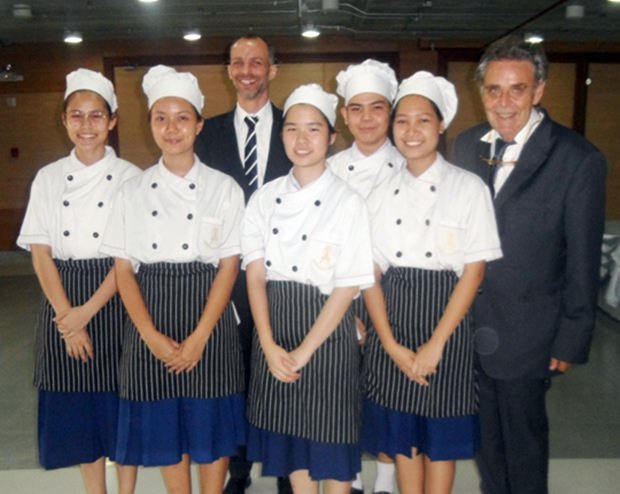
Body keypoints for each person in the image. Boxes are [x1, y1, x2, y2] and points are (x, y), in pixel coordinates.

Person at [451, 35, 607, 494]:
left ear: (538, 90)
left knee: (523, 440)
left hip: (529, 330)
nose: (504, 103)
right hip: (470, 323)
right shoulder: (465, 146)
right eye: (494, 90)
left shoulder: (576, 158)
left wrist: (572, 334)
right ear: (481, 92)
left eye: (516, 89)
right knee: (485, 440)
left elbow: (583, 255)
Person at [100, 65, 246, 494]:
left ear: (199, 124)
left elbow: (229, 265)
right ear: (149, 126)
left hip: (210, 315)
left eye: (182, 117)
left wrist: (200, 336)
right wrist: (149, 335)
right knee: (167, 428)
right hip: (152, 313)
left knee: (211, 426)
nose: (171, 127)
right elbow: (124, 269)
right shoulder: (132, 191)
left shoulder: (224, 188)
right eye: (160, 117)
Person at [361, 71, 502, 494]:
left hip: (449, 324)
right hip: (394, 318)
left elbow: (474, 271)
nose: (411, 131)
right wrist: (388, 343)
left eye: (423, 120)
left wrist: (436, 343)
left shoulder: (468, 188)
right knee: (403, 442)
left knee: (441, 444)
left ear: (441, 125)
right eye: (402, 120)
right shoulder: (381, 193)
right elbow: (370, 272)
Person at [241, 83, 375, 494]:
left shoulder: (348, 201)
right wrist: (267, 344)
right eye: (292, 129)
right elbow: (255, 274)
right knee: (292, 448)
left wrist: (304, 350)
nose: (302, 140)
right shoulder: (264, 199)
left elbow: (348, 284)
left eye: (314, 129)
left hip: (327, 334)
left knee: (333, 446)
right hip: (276, 326)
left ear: (333, 137)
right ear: (280, 136)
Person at [17, 68, 141, 493]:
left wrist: (87, 312)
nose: (86, 125)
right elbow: (40, 252)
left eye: (95, 116)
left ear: (112, 120)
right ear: (65, 120)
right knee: (80, 412)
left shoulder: (131, 178)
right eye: (77, 115)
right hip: (62, 295)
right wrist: (67, 317)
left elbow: (127, 258)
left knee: (122, 407)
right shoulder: (49, 178)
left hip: (116, 294)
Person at [194, 33, 292, 494]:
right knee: (233, 378)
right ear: (228, 70)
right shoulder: (206, 132)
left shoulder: (298, 126)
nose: (247, 70)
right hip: (227, 279)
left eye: (257, 62)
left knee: (284, 375)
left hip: (287, 278)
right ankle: (238, 469)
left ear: (273, 69)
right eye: (238, 62)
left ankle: (289, 468)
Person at [328, 58, 404, 494]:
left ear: (389, 111)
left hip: (396, 295)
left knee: (389, 395)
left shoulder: (410, 164)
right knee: (344, 394)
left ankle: (388, 483)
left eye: (376, 107)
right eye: (356, 108)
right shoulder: (330, 168)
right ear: (344, 115)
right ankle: (351, 479)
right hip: (338, 295)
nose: (367, 118)